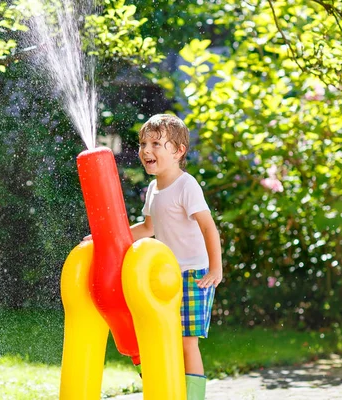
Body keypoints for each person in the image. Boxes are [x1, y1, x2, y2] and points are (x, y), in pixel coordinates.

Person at [84, 113, 222, 400]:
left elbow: (208, 227)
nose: (146, 150)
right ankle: (165, 390)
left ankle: (193, 397)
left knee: (186, 341)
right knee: (159, 339)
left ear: (179, 151)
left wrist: (215, 269)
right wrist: (104, 237)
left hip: (195, 274)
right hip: (165, 277)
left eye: (157, 143)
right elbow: (148, 228)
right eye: (143, 143)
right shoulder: (154, 189)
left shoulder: (186, 186)